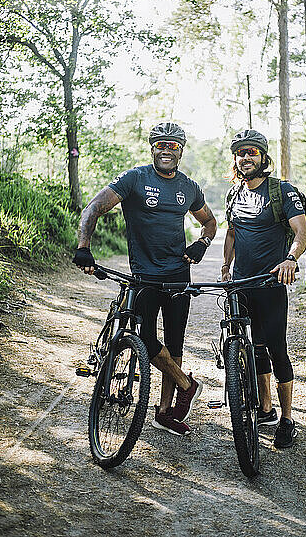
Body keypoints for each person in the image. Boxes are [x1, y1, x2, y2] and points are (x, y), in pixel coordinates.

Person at [73, 122, 217, 436]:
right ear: (152, 147)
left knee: (175, 344)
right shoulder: (135, 179)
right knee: (148, 340)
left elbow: (210, 222)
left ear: (181, 150)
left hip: (179, 276)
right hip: (145, 276)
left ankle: (165, 413)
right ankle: (186, 384)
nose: (166, 149)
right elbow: (94, 208)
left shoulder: (189, 187)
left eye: (173, 145)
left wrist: (202, 244)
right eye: (160, 144)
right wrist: (84, 247)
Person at [221, 129, 306, 448]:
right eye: (241, 153)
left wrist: (290, 259)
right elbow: (231, 234)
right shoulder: (234, 195)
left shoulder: (282, 191)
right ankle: (265, 408)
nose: (246, 157)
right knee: (253, 348)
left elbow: (302, 231)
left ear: (263, 157)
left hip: (271, 283)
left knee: (275, 349)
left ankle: (287, 419)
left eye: (252, 152)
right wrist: (225, 267)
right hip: (241, 285)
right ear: (236, 160)